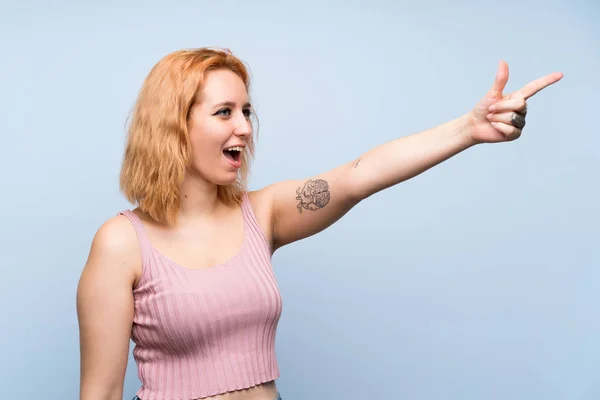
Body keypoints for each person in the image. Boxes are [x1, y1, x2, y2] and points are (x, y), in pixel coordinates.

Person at [76, 47, 562, 400]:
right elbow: (98, 392)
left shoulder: (261, 214)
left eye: (246, 110)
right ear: (175, 126)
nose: (244, 126)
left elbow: (357, 176)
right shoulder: (122, 242)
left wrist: (466, 130)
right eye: (224, 112)